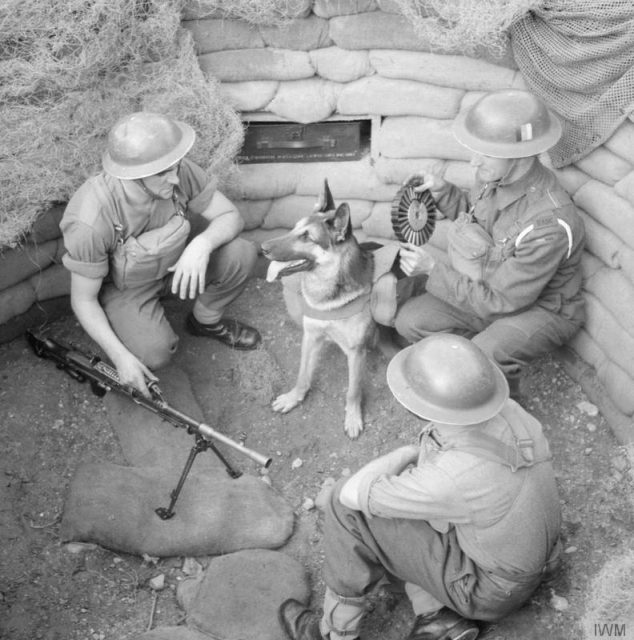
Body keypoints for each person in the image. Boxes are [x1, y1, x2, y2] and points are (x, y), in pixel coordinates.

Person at [278, 334, 561, 640]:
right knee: (403, 503)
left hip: (488, 591)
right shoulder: (511, 413)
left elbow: (350, 495)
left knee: (345, 510)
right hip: (535, 561)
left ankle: (333, 632)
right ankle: (437, 617)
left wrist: (404, 453)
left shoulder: (452, 476)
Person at [384, 89, 585, 398]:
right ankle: (477, 357)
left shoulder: (550, 224)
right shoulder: (493, 177)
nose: (473, 162)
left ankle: (505, 404)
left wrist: (434, 271)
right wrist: (443, 193)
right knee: (411, 321)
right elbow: (476, 220)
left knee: (484, 355)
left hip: (540, 309)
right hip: (490, 290)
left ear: (520, 156)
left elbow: (500, 302)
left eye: (485, 153)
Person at [60, 111, 261, 397]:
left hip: (178, 264)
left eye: (175, 167)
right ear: (133, 175)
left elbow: (230, 216)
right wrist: (120, 357)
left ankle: (205, 322)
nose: (176, 179)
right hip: (127, 289)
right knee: (155, 353)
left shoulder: (176, 172)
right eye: (163, 173)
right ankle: (128, 334)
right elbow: (83, 299)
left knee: (241, 254)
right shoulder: (91, 218)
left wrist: (200, 246)